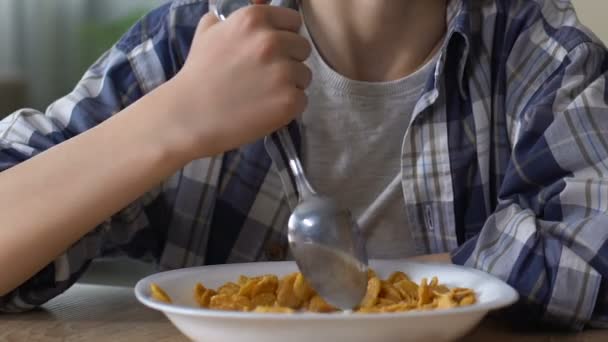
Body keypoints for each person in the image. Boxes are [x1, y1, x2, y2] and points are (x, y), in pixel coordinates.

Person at [1, 0, 608, 329]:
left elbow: (590, 255)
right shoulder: (195, 41)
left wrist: (380, 288)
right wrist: (168, 123)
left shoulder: (544, 57)